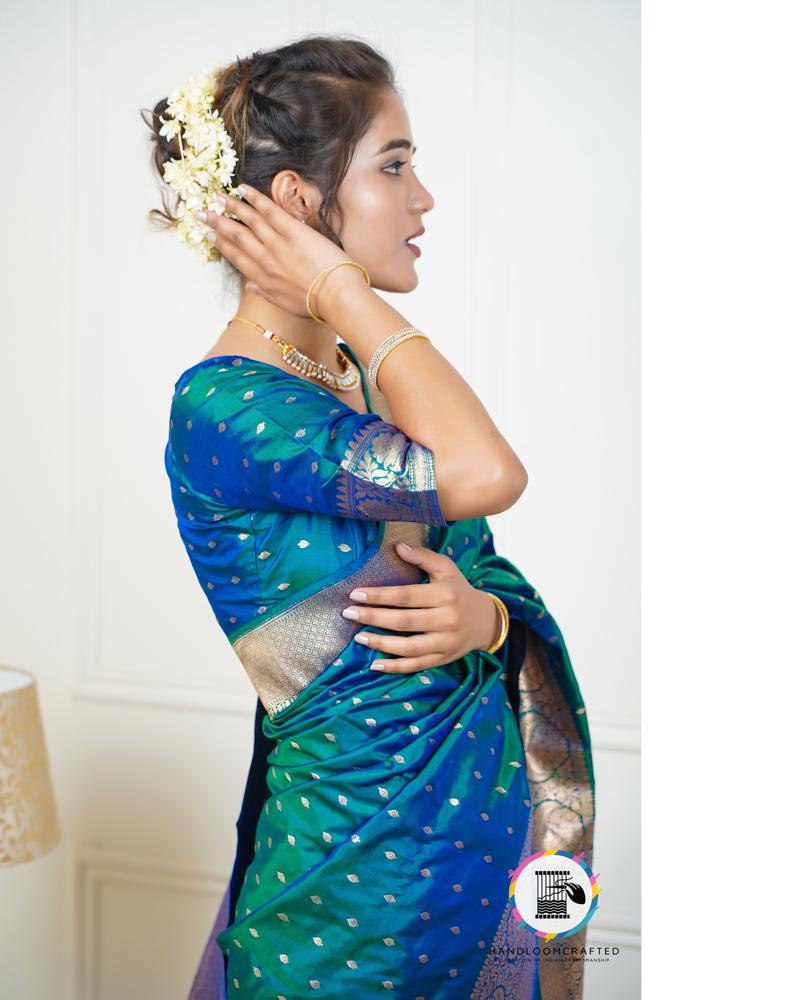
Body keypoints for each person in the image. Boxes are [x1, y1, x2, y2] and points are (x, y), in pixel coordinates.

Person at [145, 35, 595, 999]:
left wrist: (492, 620)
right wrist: (340, 289)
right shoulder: (226, 404)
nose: (423, 196)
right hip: (352, 899)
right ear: (302, 206)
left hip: (476, 871)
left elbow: (480, 562)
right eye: (394, 166)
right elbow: (487, 472)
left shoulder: (365, 383)